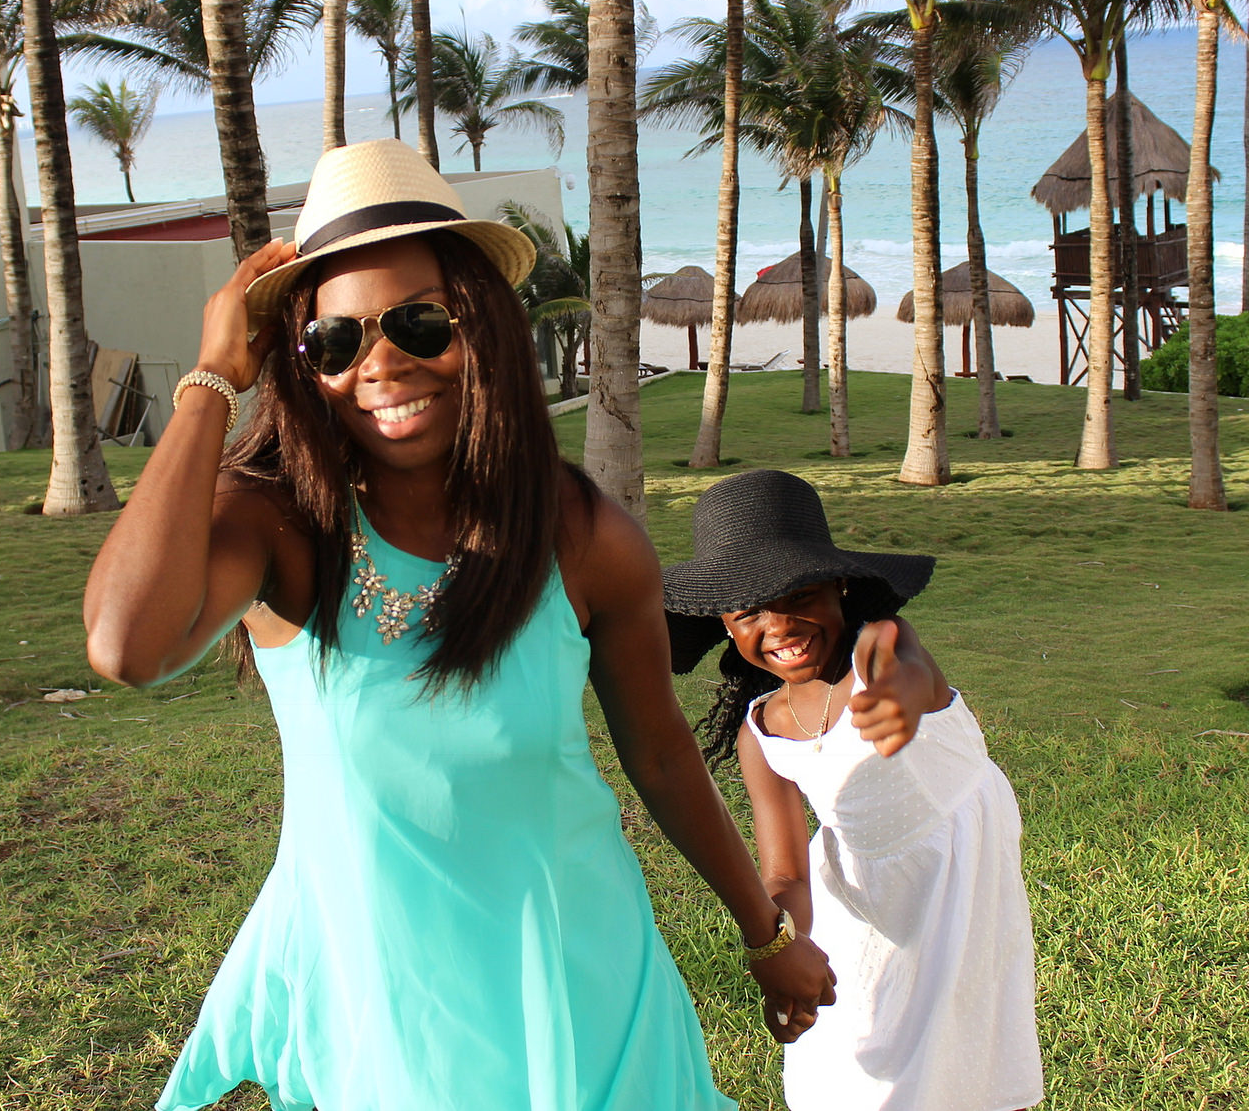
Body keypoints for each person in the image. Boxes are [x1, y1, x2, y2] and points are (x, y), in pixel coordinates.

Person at [83, 140, 836, 1111]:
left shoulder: (582, 534)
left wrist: (764, 935)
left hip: (582, 973)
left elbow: (657, 756)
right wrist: (210, 379)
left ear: (479, 325)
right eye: (336, 341)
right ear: (299, 361)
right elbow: (125, 645)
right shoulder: (282, 527)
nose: (382, 362)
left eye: (419, 323)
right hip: (393, 1002)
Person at [662, 469, 1044, 1111]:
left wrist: (901, 695)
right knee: (855, 1076)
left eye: (797, 594)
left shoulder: (879, 650)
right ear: (724, 625)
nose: (778, 625)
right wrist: (790, 952)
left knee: (959, 1074)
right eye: (749, 611)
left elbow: (906, 663)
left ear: (839, 584)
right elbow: (785, 873)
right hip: (860, 920)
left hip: (958, 902)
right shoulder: (764, 734)